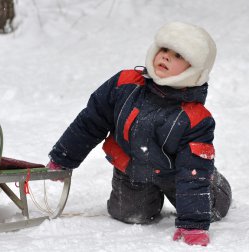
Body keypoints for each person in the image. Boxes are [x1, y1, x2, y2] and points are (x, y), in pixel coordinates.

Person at [47, 21, 232, 247]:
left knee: (215, 209)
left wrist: (193, 224)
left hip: (177, 174)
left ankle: (214, 181)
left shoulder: (195, 118)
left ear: (193, 69)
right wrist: (63, 159)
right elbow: (90, 121)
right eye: (164, 50)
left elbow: (192, 172)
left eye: (177, 55)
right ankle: (147, 195)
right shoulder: (124, 84)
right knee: (130, 215)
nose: (165, 57)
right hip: (132, 169)